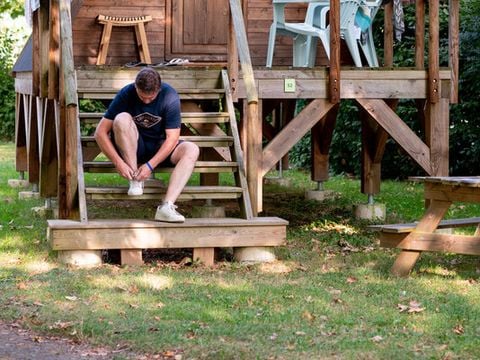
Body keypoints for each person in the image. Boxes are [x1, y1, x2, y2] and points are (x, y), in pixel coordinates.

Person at [94, 67, 199, 223]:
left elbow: (172, 138)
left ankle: (167, 207)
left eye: (151, 98)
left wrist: (150, 166)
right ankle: (135, 179)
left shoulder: (169, 96)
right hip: (134, 146)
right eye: (142, 97)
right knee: (121, 118)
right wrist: (119, 163)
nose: (146, 101)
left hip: (160, 148)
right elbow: (100, 133)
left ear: (159, 88)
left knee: (192, 149)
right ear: (136, 87)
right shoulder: (126, 93)